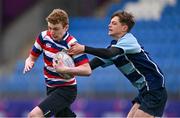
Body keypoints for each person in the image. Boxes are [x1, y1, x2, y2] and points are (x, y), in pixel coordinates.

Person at [57, 10, 167, 117]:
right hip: (144, 90)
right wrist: (67, 68)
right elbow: (89, 67)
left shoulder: (129, 40)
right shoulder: (114, 47)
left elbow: (109, 53)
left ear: (124, 28)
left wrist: (84, 48)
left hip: (154, 86)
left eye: (114, 23)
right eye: (110, 22)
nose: (109, 25)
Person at [23, 8, 91, 118]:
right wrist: (29, 61)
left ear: (66, 27)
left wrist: (65, 70)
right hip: (50, 88)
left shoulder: (72, 44)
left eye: (56, 29)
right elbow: (31, 57)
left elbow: (87, 70)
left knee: (34, 115)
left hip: (66, 90)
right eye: (49, 28)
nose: (52, 32)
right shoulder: (43, 37)